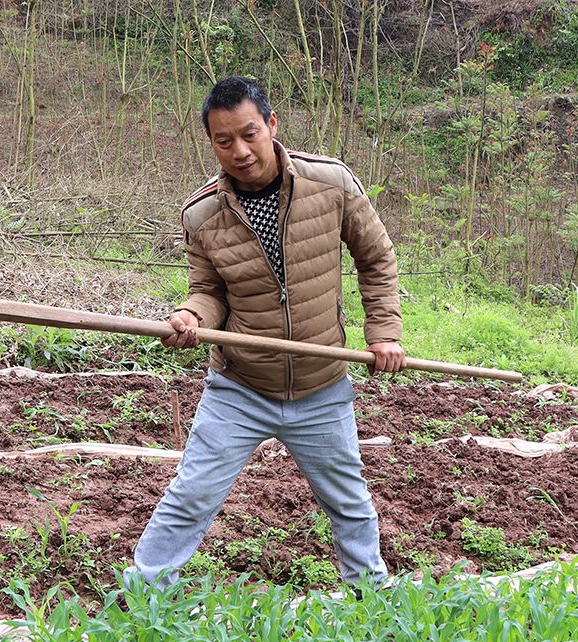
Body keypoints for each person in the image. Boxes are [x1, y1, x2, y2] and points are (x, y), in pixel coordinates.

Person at [125, 75, 406, 591]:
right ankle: (142, 598)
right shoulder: (202, 212)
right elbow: (208, 290)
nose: (240, 150)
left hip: (321, 383)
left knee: (348, 501)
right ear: (210, 142)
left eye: (249, 133)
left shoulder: (332, 182)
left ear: (272, 125)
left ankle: (372, 598)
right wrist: (192, 316)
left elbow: (376, 258)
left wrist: (383, 332)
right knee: (192, 495)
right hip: (241, 385)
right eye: (223, 140)